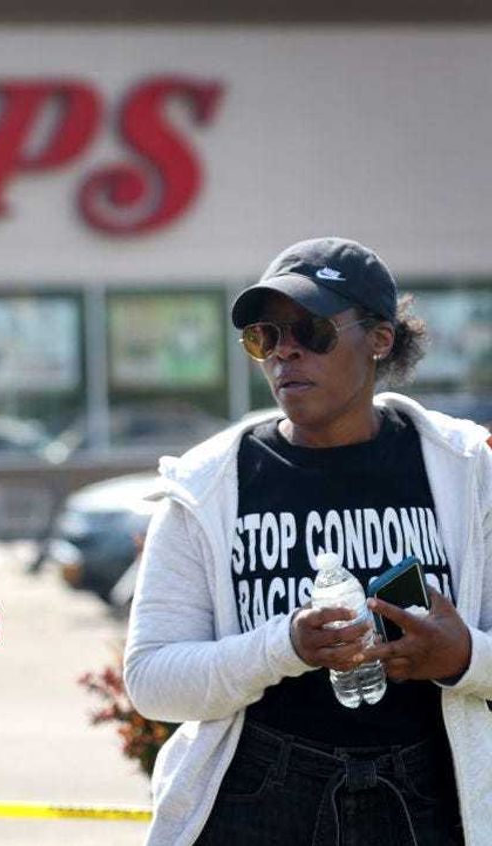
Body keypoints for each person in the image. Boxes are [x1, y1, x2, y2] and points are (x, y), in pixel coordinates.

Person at [124, 237, 492, 845]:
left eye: (312, 331)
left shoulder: (467, 471)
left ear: (380, 339)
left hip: (433, 788)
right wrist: (284, 645)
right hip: (257, 792)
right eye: (266, 337)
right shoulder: (207, 486)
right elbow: (152, 681)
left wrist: (462, 659)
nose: (285, 353)